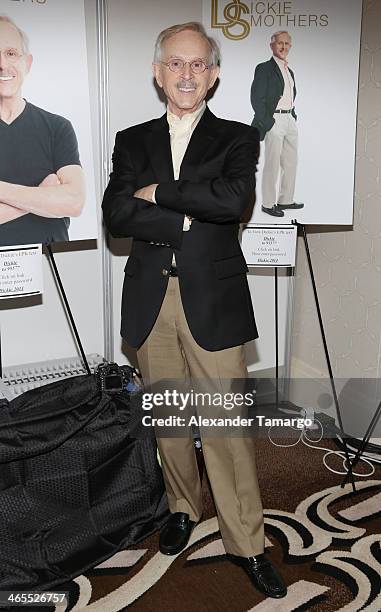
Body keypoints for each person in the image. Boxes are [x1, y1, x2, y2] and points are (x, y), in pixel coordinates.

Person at [102, 22, 286, 599]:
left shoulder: (237, 136)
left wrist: (159, 194)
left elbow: (234, 201)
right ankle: (182, 505)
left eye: (199, 64)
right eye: (175, 64)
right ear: (159, 74)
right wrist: (186, 215)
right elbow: (115, 214)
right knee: (170, 419)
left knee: (226, 427)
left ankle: (247, 542)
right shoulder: (133, 140)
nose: (187, 74)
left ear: (214, 75)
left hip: (213, 300)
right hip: (149, 299)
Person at [0, 15, 85, 247]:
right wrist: (42, 195)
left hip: (49, 266)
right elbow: (61, 201)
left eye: (11, 53)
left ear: (27, 63)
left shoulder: (57, 128)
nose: (2, 64)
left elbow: (74, 202)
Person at [251, 30, 304, 217]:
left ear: (290, 46)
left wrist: (293, 116)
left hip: (289, 119)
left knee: (291, 162)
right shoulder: (264, 68)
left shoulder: (289, 71)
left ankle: (285, 200)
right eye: (279, 43)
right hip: (274, 119)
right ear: (272, 45)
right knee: (272, 163)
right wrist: (268, 121)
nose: (283, 46)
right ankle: (267, 203)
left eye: (286, 43)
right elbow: (257, 98)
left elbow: (290, 96)